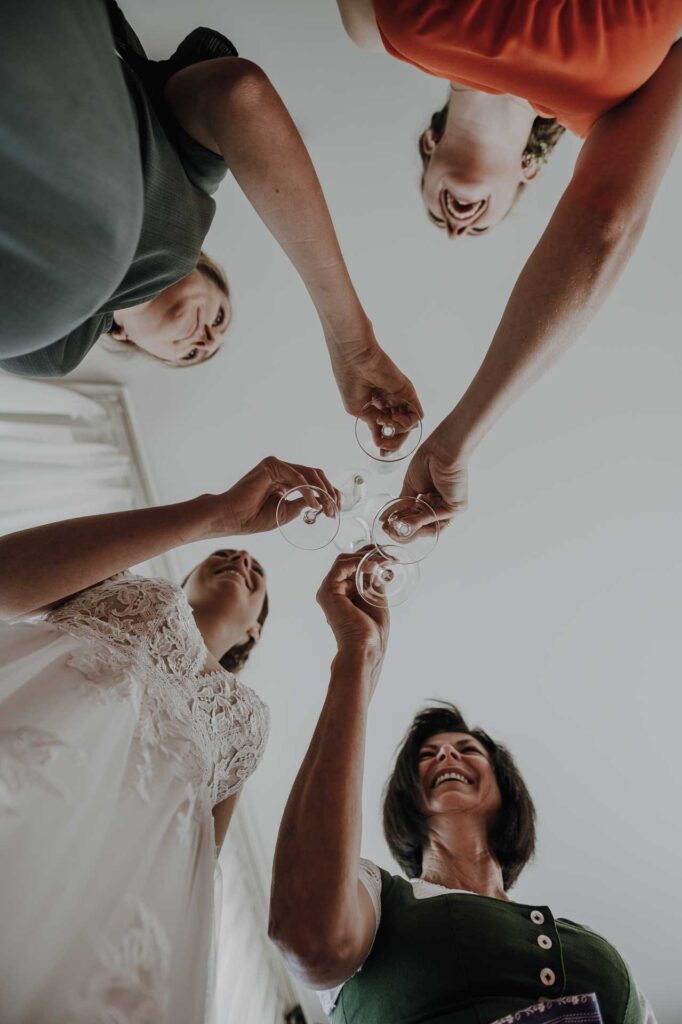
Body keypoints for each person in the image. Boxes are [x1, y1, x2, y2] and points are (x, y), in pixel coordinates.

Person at [0, 455, 338, 1022]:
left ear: (255, 630)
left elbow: (202, 862)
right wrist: (213, 517)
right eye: (224, 553)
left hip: (113, 874)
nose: (241, 559)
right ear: (183, 579)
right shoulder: (128, 583)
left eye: (256, 576)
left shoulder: (250, 722)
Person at [0, 4, 420, 439]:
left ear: (128, 338)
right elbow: (239, 91)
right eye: (219, 318)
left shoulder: (55, 354)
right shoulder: (188, 182)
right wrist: (353, 343)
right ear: (202, 261)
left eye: (190, 356)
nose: (204, 340)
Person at [269, 552, 656, 1023]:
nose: (446, 756)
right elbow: (310, 938)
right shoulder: (378, 898)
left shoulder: (592, 945)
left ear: (505, 784)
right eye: (428, 756)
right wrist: (357, 657)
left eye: (467, 749)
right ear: (407, 797)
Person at [333, 1, 682, 524]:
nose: (456, 224)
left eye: (436, 215)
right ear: (529, 170)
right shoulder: (611, 109)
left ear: (431, 143)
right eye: (476, 228)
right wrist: (456, 440)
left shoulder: (374, 28)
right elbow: (605, 225)